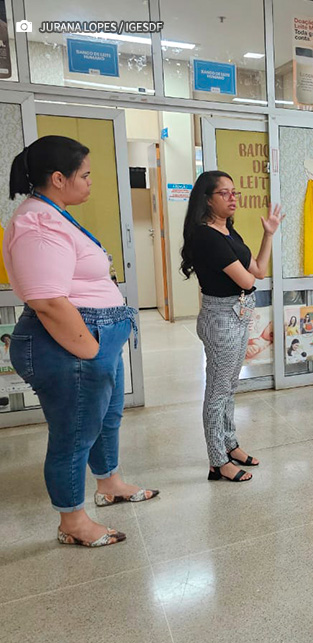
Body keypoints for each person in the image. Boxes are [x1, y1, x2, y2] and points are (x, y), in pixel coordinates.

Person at [3, 135, 157, 548]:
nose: (91, 182)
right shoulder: (37, 223)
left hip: (94, 338)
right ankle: (71, 521)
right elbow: (48, 300)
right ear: (58, 178)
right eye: (85, 175)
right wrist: (91, 349)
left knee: (106, 419)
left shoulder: (55, 213)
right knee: (74, 434)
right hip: (70, 343)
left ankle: (110, 483)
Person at [180, 170, 284, 483]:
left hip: (239, 313)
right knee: (217, 390)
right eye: (224, 193)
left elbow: (260, 271)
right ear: (207, 199)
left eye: (234, 192)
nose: (232, 198)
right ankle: (217, 461)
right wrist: (250, 277)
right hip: (221, 317)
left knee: (229, 386)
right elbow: (247, 280)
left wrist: (269, 234)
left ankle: (230, 444)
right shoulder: (206, 236)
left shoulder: (229, 233)